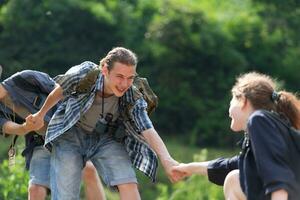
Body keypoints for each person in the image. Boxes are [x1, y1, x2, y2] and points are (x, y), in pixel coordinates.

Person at [28, 47, 180, 200]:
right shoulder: (85, 74)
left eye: (130, 78)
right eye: (119, 76)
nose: (124, 83)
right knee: (65, 194)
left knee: (128, 182)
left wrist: (167, 160)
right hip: (71, 134)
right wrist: (41, 114)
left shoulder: (133, 95)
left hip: (106, 138)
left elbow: (147, 128)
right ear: (105, 70)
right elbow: (59, 90)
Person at [172, 72, 300, 200]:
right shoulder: (273, 128)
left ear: (243, 100)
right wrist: (188, 168)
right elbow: (234, 165)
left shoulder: (258, 120)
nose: (229, 108)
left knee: (233, 180)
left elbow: (278, 177)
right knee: (234, 178)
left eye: (232, 99)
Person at [0, 69, 106, 200]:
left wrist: (42, 114)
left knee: (88, 170)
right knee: (35, 189)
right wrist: (25, 127)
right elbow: (9, 128)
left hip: (67, 131)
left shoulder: (25, 78)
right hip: (40, 141)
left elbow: (61, 91)